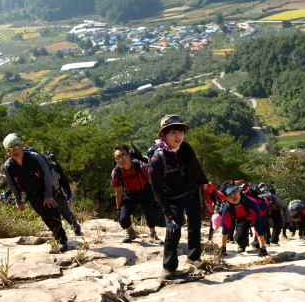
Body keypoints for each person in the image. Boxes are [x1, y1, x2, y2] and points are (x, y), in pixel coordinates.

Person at [149, 114, 209, 279]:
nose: (178, 136)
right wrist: (169, 215)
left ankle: (194, 258)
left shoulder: (186, 149)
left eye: (180, 132)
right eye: (173, 132)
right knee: (173, 230)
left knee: (195, 226)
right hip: (172, 199)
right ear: (163, 135)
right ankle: (169, 268)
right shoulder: (157, 159)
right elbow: (158, 191)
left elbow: (196, 169)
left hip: (191, 194)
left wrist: (206, 184)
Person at [2, 133, 68, 252]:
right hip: (31, 195)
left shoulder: (34, 158)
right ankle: (57, 236)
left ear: (21, 146)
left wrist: (48, 195)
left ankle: (62, 240)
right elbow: (12, 185)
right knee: (45, 216)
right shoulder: (9, 166)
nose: (15, 151)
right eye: (10, 149)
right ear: (7, 152)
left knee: (53, 214)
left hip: (45, 189)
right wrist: (19, 201)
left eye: (16, 146)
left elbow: (47, 176)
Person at [111, 144, 162, 244]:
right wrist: (118, 209)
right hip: (130, 194)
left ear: (129, 155)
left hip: (146, 192)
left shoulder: (141, 166)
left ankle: (153, 234)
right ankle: (131, 232)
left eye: (123, 155)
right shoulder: (116, 172)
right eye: (117, 157)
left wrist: (156, 201)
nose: (121, 159)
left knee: (150, 212)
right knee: (123, 218)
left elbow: (155, 184)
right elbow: (118, 191)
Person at [218, 180, 269, 257]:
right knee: (239, 238)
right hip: (244, 216)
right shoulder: (227, 208)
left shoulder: (251, 202)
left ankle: (258, 245)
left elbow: (257, 224)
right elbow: (225, 227)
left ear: (239, 190)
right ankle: (242, 245)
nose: (233, 196)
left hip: (262, 212)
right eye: (229, 195)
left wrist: (263, 248)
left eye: (234, 191)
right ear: (226, 199)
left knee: (260, 233)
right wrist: (223, 248)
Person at [47, 153, 82, 237]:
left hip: (58, 194)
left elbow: (63, 180)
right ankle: (58, 234)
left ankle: (76, 228)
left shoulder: (55, 167)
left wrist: (69, 193)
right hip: (48, 196)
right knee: (52, 216)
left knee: (66, 213)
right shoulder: (40, 169)